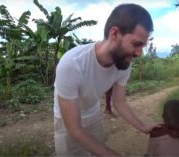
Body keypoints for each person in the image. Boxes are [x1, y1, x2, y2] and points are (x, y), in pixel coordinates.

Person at [53, 3, 158, 156]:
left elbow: (119, 101)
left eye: (142, 46)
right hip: (67, 123)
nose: (140, 53)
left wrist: (143, 127)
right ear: (114, 34)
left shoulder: (123, 63)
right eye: (136, 44)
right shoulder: (72, 64)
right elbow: (74, 129)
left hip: (94, 116)